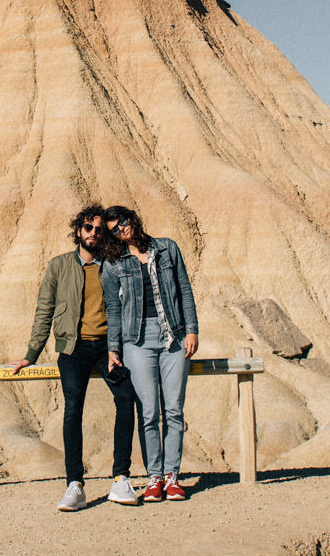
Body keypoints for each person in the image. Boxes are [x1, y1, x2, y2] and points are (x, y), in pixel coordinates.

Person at [11, 205, 141, 511]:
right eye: (88, 228)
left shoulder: (113, 264)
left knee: (125, 398)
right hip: (73, 348)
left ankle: (121, 478)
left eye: (98, 229)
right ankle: (75, 484)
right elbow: (44, 310)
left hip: (109, 347)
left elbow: (128, 306)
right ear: (78, 231)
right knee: (73, 408)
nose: (93, 233)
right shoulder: (58, 266)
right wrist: (31, 354)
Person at [101, 205, 199, 502]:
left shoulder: (167, 249)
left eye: (123, 222)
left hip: (174, 336)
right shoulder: (113, 263)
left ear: (133, 218)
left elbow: (184, 289)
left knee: (173, 410)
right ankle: (153, 478)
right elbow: (113, 309)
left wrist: (192, 329)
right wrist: (113, 348)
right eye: (114, 229)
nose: (121, 229)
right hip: (137, 340)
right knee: (147, 412)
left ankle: (172, 477)